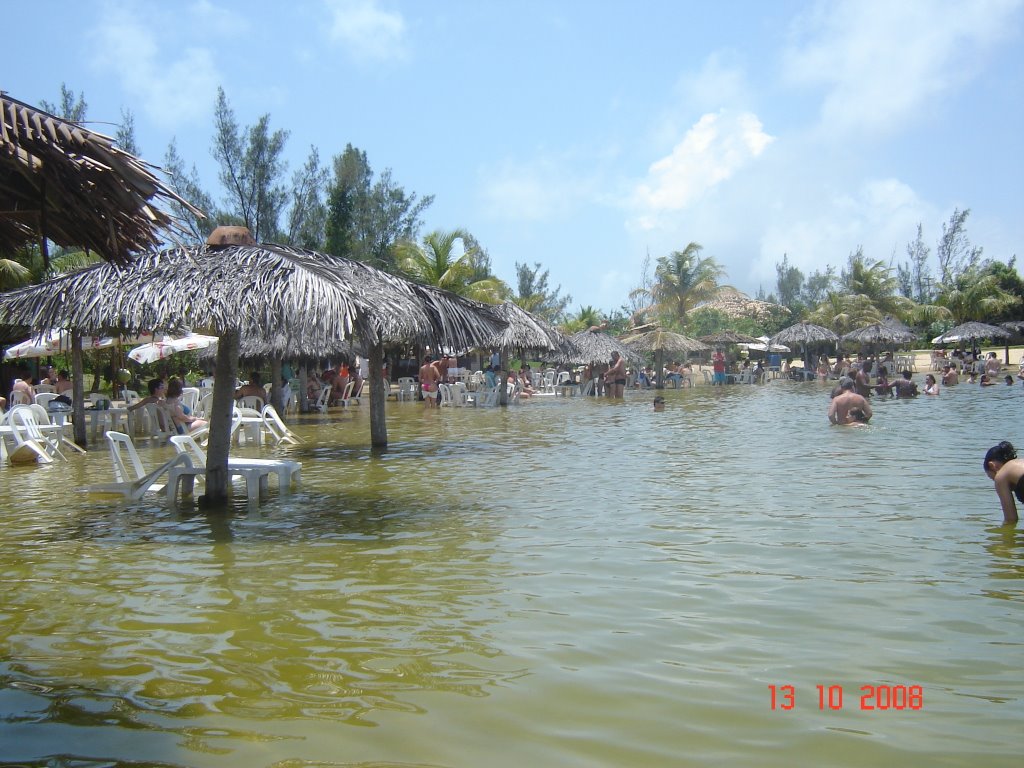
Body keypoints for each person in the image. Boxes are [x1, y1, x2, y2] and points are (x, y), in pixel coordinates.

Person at [982, 441, 1023, 524]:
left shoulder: (1001, 475)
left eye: (992, 478)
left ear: (992, 465)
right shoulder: (1020, 463)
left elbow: (1011, 519)